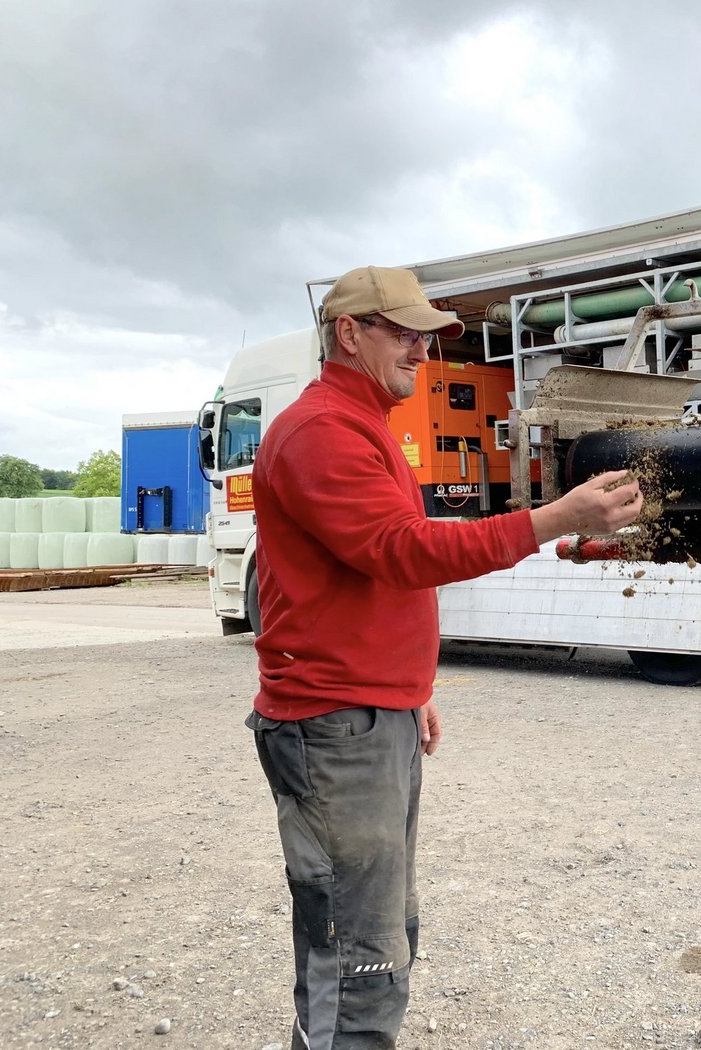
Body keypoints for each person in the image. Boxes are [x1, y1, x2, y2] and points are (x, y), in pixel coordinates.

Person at [245, 265, 644, 1050]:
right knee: (357, 962)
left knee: (380, 937)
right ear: (349, 332)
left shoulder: (363, 424)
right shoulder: (322, 431)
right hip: (334, 730)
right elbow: (403, 552)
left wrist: (410, 685)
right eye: (403, 332)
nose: (422, 351)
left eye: (426, 337)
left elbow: (366, 578)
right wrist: (553, 518)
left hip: (367, 717)